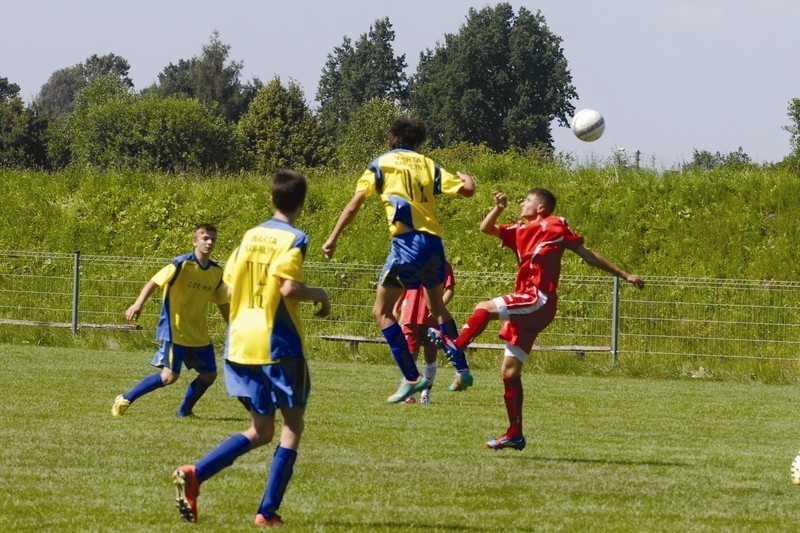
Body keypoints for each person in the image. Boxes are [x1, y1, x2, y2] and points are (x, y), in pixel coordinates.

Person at [428, 188, 644, 450]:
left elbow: (587, 255)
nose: (522, 203)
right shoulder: (519, 229)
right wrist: (498, 208)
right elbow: (486, 228)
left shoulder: (555, 225)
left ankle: (456, 346)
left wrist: (624, 274)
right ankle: (514, 434)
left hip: (537, 298)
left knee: (483, 307)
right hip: (528, 304)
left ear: (541, 208)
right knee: (509, 372)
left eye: (527, 200)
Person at [172, 170, 330, 527]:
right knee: (291, 427)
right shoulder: (295, 238)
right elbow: (288, 288)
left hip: (240, 343)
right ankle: (266, 512)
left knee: (261, 430)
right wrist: (321, 295)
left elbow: (228, 283)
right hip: (278, 343)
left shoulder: (248, 237)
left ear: (272, 199)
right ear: (302, 203)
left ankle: (195, 474)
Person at [322, 117, 475, 403]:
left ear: (392, 138)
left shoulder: (381, 164)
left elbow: (355, 204)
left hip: (408, 243)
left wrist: (333, 237)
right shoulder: (429, 164)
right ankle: (462, 367)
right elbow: (467, 190)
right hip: (435, 244)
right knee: (437, 306)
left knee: (381, 311)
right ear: (418, 142)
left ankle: (411, 376)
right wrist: (467, 176)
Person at [111, 223, 230, 419]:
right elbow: (154, 282)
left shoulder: (216, 272)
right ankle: (125, 398)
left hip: (198, 334)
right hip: (175, 330)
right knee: (169, 377)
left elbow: (222, 303)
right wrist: (138, 304)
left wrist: (234, 326)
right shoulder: (181, 264)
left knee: (209, 375)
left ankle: (184, 412)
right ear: (195, 241)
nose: (209, 242)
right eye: (205, 238)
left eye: (213, 239)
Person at [395, 261, 455, 404]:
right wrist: (396, 309)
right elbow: (403, 289)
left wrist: (438, 306)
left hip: (431, 320)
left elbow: (450, 289)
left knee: (430, 356)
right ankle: (409, 394)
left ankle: (425, 395)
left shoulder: (443, 265)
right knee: (410, 355)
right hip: (411, 317)